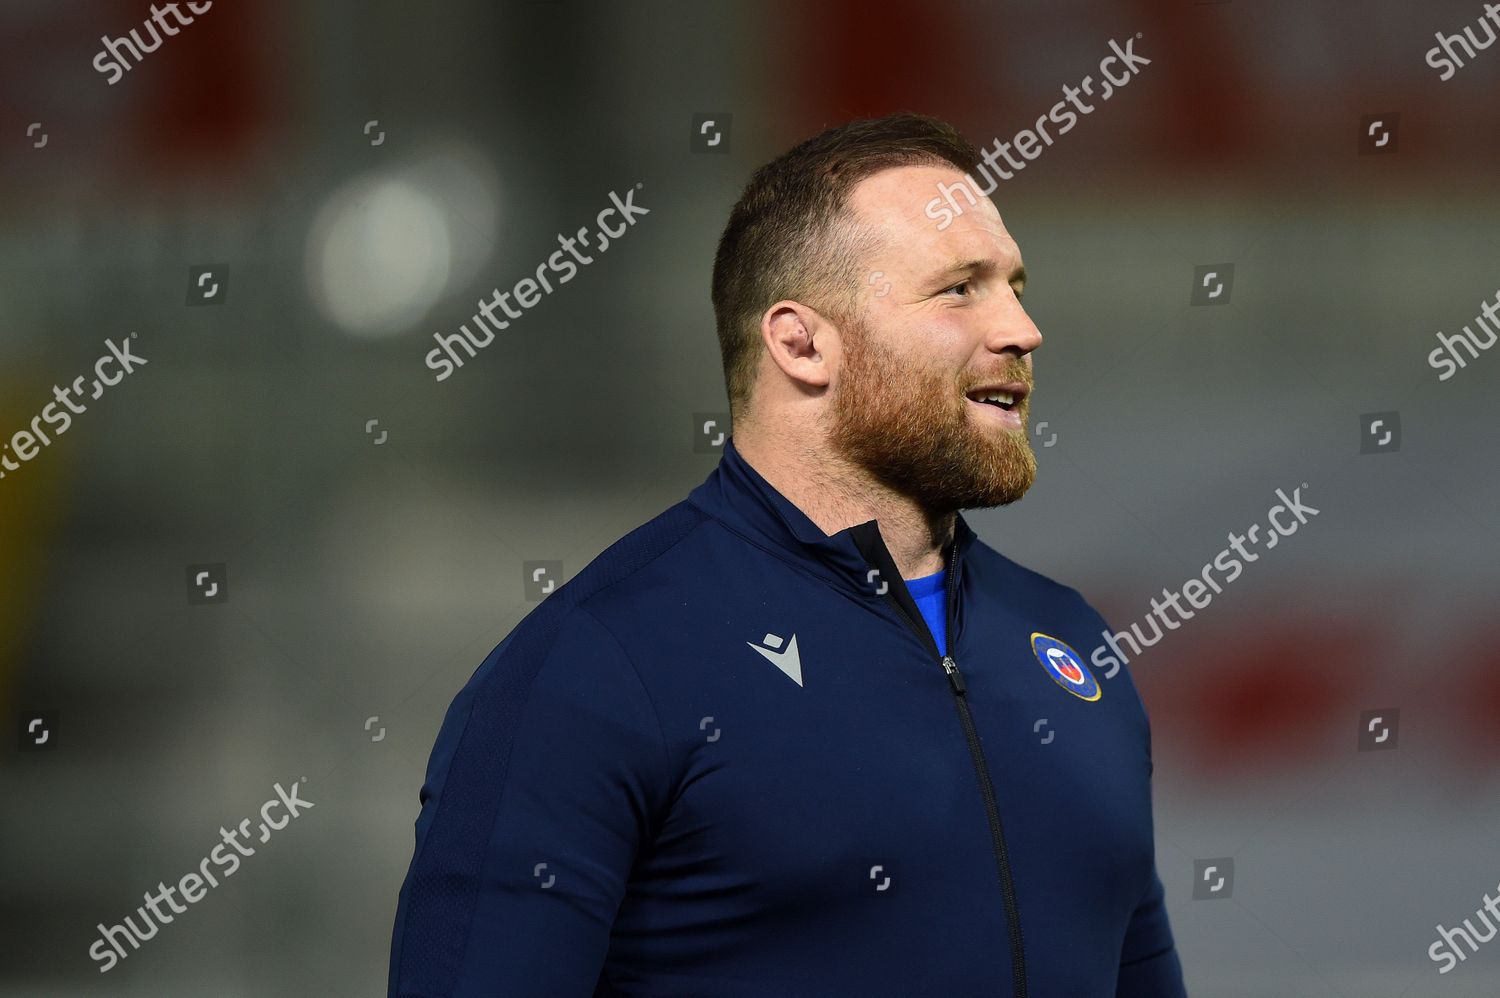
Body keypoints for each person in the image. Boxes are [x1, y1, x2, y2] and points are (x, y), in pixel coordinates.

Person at [388, 111, 1187, 997]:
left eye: (1015, 284)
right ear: (800, 342)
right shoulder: (592, 670)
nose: (1023, 329)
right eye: (961, 289)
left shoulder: (1072, 645)